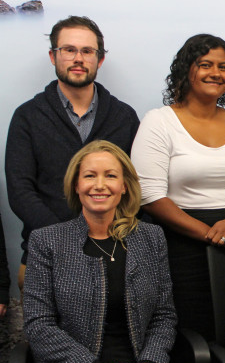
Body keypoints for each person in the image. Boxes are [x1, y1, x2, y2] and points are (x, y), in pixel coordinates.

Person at [131, 34, 225, 341]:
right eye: (205, 64)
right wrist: (211, 234)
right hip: (180, 244)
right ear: (186, 70)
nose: (215, 73)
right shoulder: (158, 122)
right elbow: (150, 195)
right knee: (190, 335)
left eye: (223, 66)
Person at [23, 140, 176, 363]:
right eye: (90, 176)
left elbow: (164, 316)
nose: (100, 185)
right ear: (76, 185)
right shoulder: (46, 241)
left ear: (124, 186)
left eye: (111, 176)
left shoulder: (151, 237)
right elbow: (39, 325)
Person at [5, 15, 139, 291]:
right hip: (45, 256)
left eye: (87, 51)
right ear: (53, 56)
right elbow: (20, 191)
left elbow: (137, 186)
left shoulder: (123, 117)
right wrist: (70, 238)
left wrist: (110, 237)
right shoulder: (28, 116)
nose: (78, 58)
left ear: (99, 60)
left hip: (114, 253)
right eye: (69, 50)